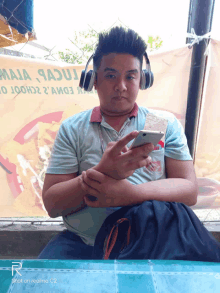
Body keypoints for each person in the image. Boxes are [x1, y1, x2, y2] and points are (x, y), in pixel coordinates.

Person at [38, 26, 198, 259]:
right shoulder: (73, 128)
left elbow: (189, 190)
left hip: (151, 242)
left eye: (131, 76)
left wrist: (130, 194)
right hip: (83, 243)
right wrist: (103, 171)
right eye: (111, 75)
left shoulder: (160, 123)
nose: (121, 86)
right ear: (93, 80)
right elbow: (53, 205)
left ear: (142, 79)